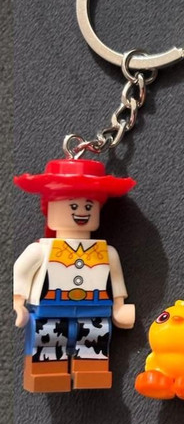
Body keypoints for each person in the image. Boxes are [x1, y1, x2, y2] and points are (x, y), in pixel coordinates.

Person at [13, 159, 136, 392]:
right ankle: (47, 375)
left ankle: (91, 374)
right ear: (50, 208)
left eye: (89, 206)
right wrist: (19, 303)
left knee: (94, 343)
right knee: (48, 342)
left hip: (95, 309)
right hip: (50, 309)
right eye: (73, 206)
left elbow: (116, 281)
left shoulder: (107, 252)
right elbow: (21, 271)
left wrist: (119, 307)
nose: (81, 212)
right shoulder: (41, 249)